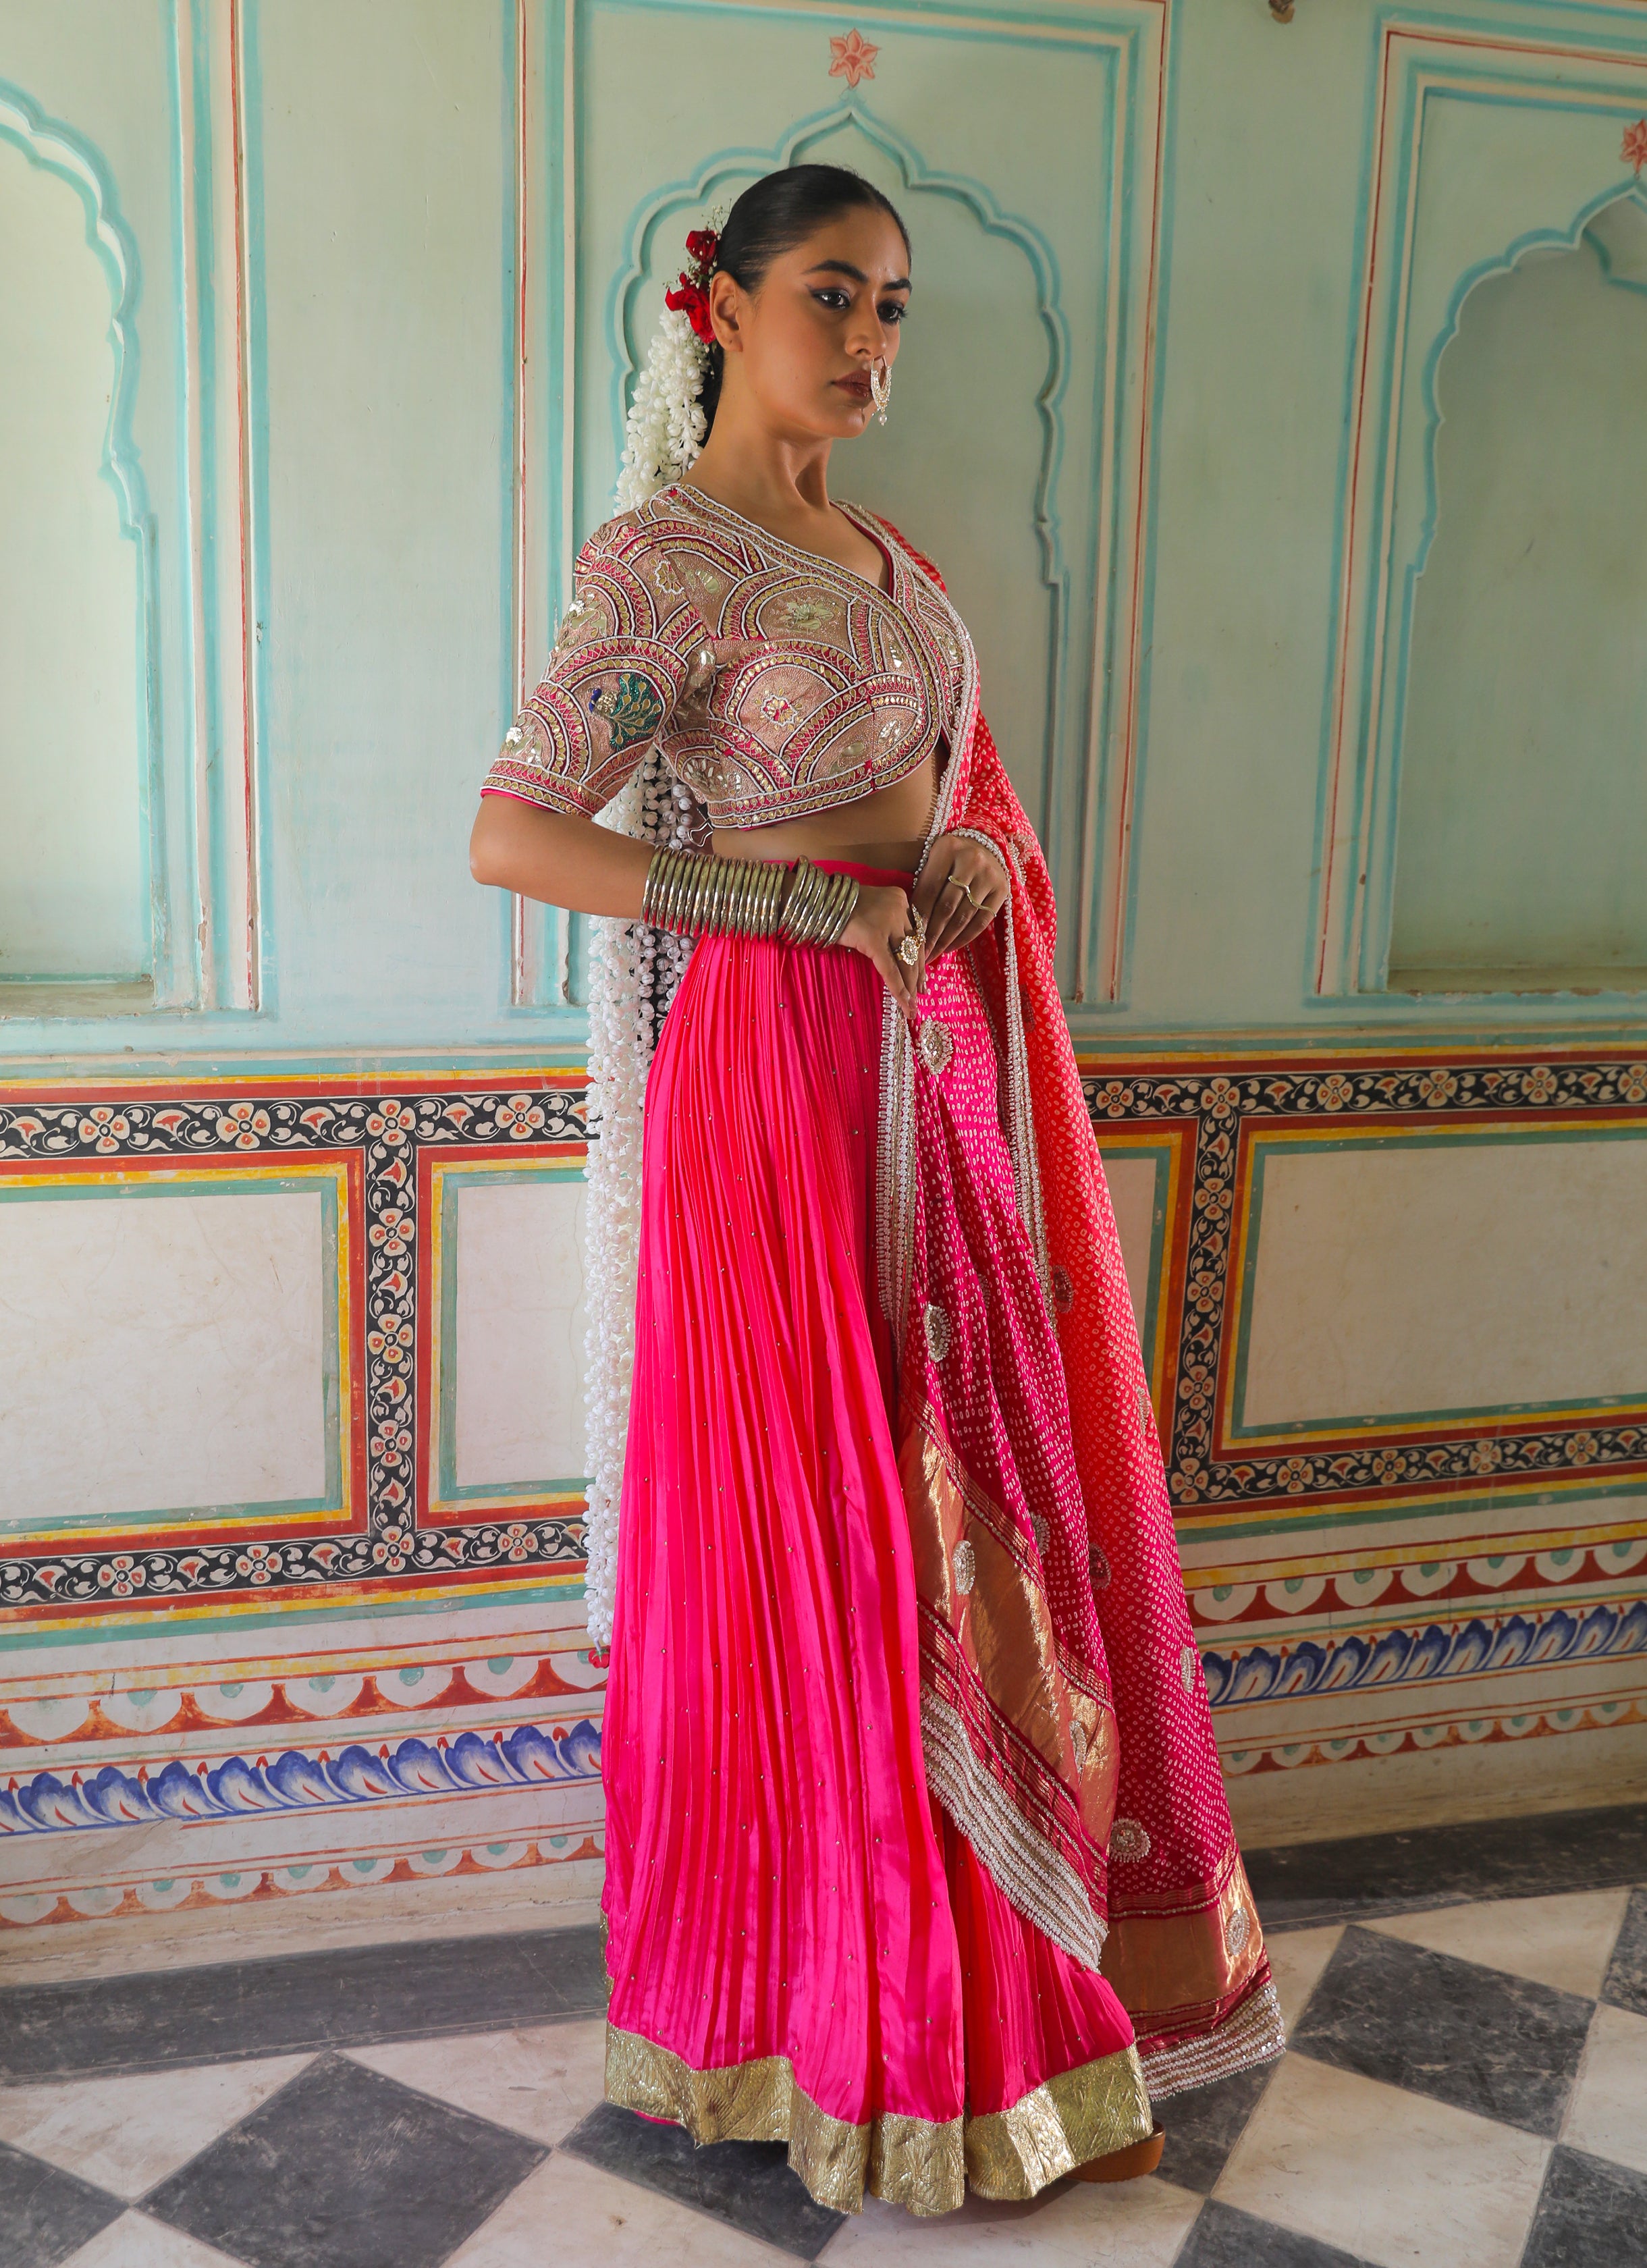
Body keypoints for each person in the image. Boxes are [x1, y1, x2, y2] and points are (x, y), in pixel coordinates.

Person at [470, 163, 1283, 2219]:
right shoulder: (661, 559)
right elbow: (511, 835)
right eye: (834, 293)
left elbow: (950, 809)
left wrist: (971, 870)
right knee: (831, 1531)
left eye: (896, 305)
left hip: (930, 1070)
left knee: (966, 1503)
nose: (872, 339)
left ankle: (982, 1993)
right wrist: (800, 914)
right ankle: (843, 2019)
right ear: (722, 308)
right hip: (775, 1075)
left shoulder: (893, 559)